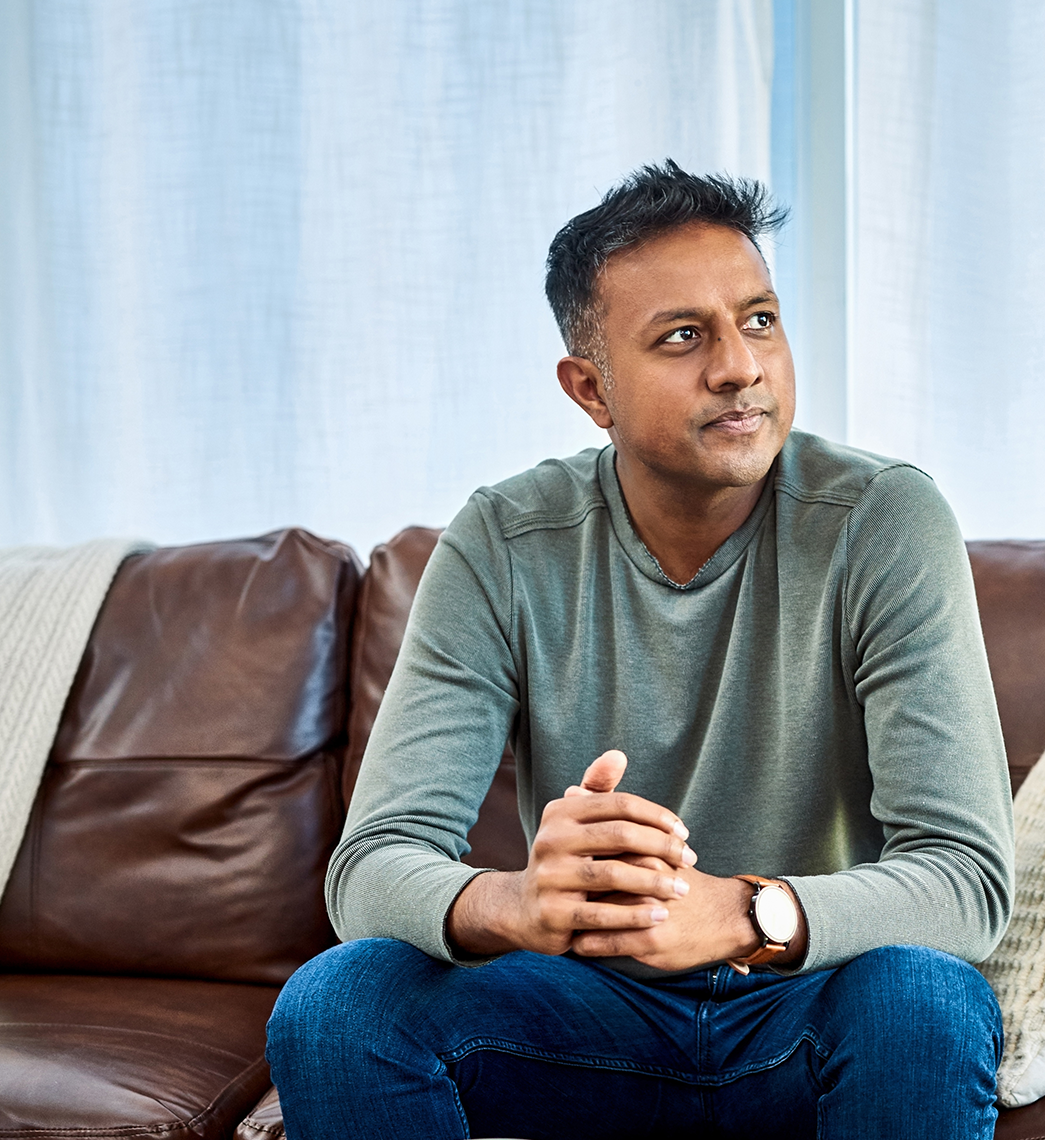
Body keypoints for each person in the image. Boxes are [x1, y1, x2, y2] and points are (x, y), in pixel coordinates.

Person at [265, 161, 1014, 1139]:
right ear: (591, 389)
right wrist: (516, 906)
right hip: (586, 1016)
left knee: (926, 999)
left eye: (759, 319)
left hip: (810, 1001)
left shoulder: (883, 522)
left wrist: (747, 915)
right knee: (341, 1004)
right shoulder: (501, 543)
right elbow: (369, 867)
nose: (741, 366)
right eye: (681, 337)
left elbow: (967, 881)